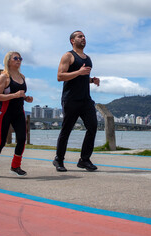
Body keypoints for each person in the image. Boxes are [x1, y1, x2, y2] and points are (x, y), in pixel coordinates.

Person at [53, 30, 100, 172]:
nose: (83, 38)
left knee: (92, 127)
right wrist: (79, 72)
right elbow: (60, 76)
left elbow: (82, 78)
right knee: (66, 130)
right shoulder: (68, 56)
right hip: (71, 99)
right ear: (72, 41)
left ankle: (84, 160)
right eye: (80, 36)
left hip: (86, 100)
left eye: (84, 36)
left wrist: (91, 80)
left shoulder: (88, 58)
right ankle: (59, 160)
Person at [0, 51, 33, 178]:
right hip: (4, 112)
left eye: (20, 58)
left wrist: (26, 98)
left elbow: (20, 94)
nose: (19, 60)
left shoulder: (22, 77)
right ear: (8, 61)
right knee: (1, 141)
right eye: (15, 58)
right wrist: (14, 95)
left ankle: (15, 166)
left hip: (19, 112)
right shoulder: (4, 77)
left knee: (22, 139)